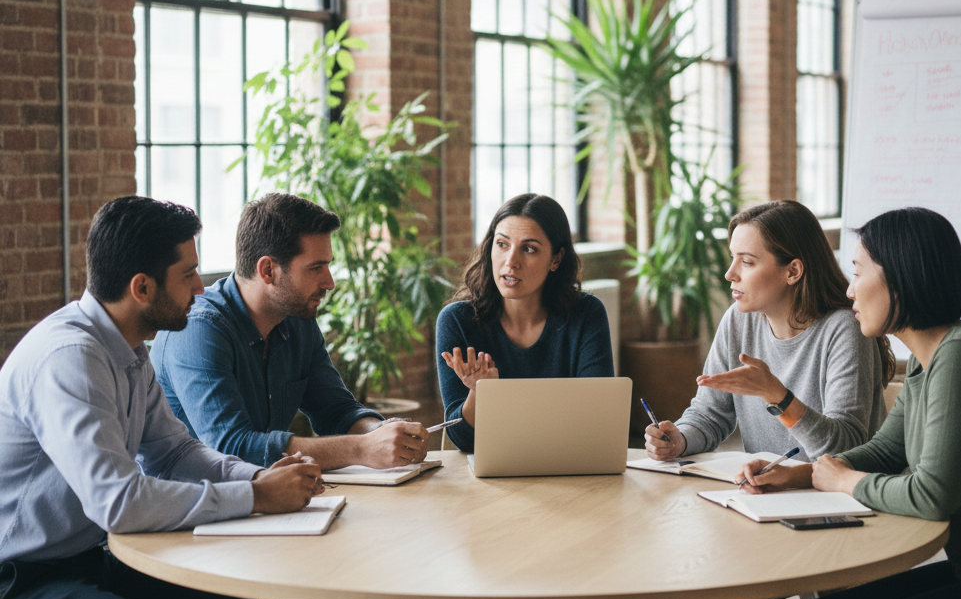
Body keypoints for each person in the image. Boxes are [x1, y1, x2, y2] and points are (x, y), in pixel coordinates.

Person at [0, 197, 320, 599]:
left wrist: (261, 475)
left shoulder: (129, 349)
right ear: (142, 288)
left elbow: (174, 453)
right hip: (23, 577)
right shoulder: (71, 359)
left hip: (99, 555)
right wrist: (255, 495)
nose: (201, 287)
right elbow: (118, 502)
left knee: (247, 597)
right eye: (188, 274)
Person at [738, 207, 961, 599]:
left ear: (901, 278)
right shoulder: (930, 360)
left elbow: (932, 496)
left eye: (858, 272)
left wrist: (843, 481)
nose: (850, 291)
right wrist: (799, 475)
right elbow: (887, 452)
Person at [151, 193, 429, 473]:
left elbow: (336, 411)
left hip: (261, 501)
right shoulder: (198, 328)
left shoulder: (296, 319)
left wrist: (381, 432)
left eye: (328, 266)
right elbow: (233, 448)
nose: (329, 282)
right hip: (188, 508)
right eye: (316, 268)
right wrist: (362, 448)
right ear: (268, 270)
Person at [646, 200, 894, 464]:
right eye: (733, 258)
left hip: (838, 497)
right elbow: (710, 415)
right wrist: (679, 440)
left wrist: (778, 396)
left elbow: (844, 449)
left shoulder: (844, 329)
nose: (730, 273)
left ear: (793, 271)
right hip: (765, 493)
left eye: (748, 262)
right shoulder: (738, 321)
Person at [436, 193, 615, 452]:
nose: (511, 262)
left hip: (570, 467)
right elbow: (464, 441)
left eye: (528, 249)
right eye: (502, 244)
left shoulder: (586, 314)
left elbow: (597, 421)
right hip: (487, 481)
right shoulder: (457, 321)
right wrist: (480, 392)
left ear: (556, 259)